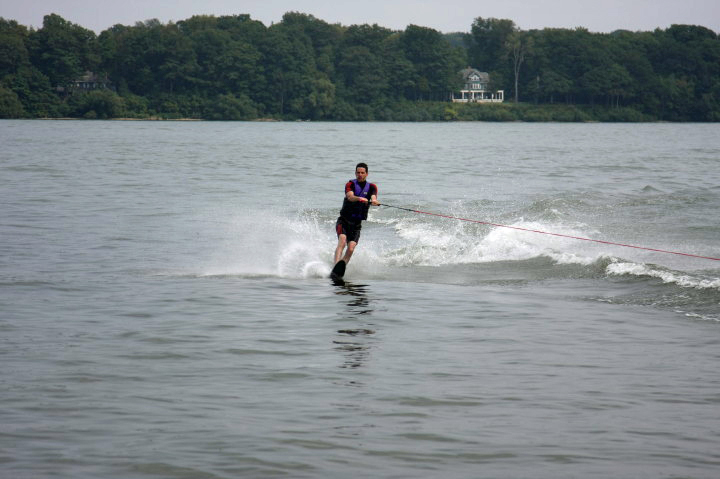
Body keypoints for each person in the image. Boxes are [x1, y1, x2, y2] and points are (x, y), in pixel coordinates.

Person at [334, 163, 379, 270]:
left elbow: (373, 197)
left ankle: (341, 267)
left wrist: (374, 201)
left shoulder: (372, 187)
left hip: (356, 224)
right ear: (355, 173)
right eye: (358, 172)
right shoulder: (350, 184)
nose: (360, 175)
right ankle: (335, 264)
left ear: (367, 174)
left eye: (362, 173)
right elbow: (350, 197)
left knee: (351, 248)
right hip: (344, 220)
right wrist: (359, 198)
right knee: (342, 240)